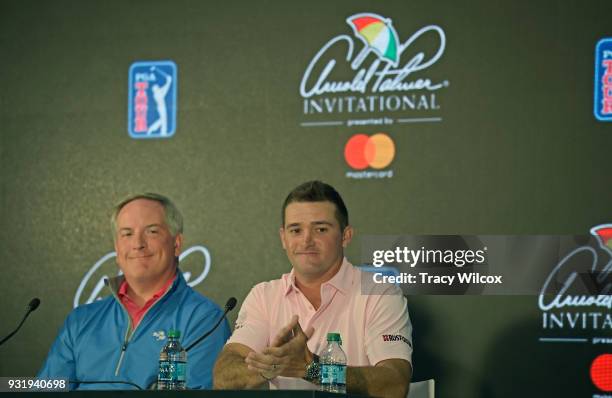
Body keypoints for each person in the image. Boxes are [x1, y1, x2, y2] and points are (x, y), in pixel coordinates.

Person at [213, 181, 413, 398]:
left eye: (320, 229)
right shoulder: (264, 295)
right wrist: (270, 366)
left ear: (346, 236)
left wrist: (314, 369)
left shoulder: (378, 292)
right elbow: (224, 377)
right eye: (296, 230)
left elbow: (394, 384)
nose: (306, 240)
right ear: (283, 238)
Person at [38, 193, 230, 390]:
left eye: (152, 232)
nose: (138, 244)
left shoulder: (204, 320)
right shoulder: (80, 321)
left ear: (177, 244)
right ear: (117, 248)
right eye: (127, 234)